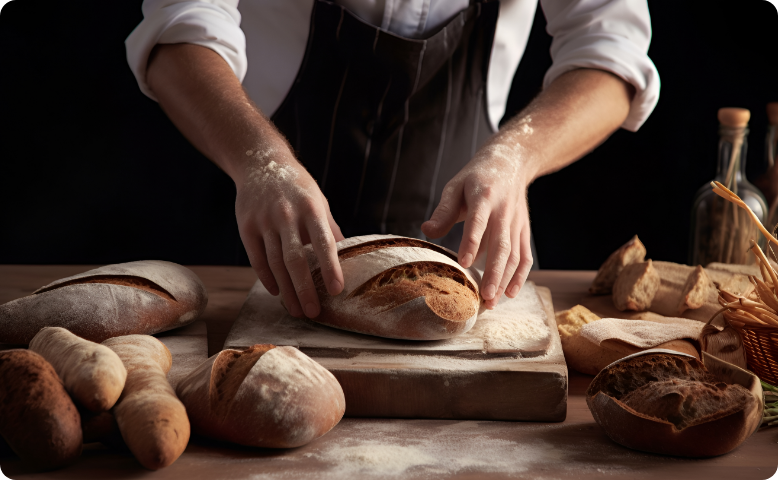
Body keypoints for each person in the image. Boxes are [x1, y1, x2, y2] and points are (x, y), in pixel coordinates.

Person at [126, 0, 659, 318]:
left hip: (469, 248)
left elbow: (610, 55)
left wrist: (518, 158)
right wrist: (260, 160)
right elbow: (180, 26)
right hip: (267, 241)